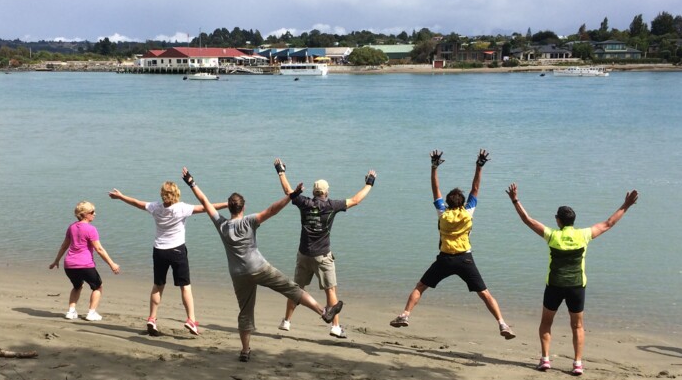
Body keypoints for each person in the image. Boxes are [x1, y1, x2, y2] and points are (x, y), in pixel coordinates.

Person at [181, 167, 343, 362]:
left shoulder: (222, 225)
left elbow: (205, 202)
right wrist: (292, 196)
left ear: (230, 208)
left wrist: (192, 183)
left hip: (238, 274)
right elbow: (272, 210)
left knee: (245, 311)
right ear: (243, 207)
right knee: (292, 289)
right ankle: (323, 312)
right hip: (259, 268)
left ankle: (245, 350)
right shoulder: (250, 221)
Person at [506, 183, 639, 376]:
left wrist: (515, 199)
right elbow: (609, 223)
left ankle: (545, 360)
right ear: (573, 221)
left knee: (546, 323)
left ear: (557, 220)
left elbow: (528, 220)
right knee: (577, 326)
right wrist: (626, 205)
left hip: (554, 285)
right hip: (576, 286)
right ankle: (577, 363)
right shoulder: (583, 235)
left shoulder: (552, 235)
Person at [390, 149, 516, 340]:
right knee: (485, 294)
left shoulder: (443, 213)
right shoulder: (468, 212)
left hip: (445, 259)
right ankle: (502, 323)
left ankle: (405, 315)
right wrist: (479, 166)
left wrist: (434, 168)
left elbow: (435, 191)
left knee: (420, 287)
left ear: (447, 203)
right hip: (465, 259)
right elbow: (475, 188)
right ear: (463, 202)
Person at [273, 158, 376, 338]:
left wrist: (281, 171)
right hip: (322, 256)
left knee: (297, 289)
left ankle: (287, 321)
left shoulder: (304, 203)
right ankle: (335, 327)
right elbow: (356, 200)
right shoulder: (331, 206)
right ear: (326, 192)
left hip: (304, 254)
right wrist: (370, 183)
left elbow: (289, 191)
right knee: (331, 290)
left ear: (314, 192)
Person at [109, 182, 226, 336]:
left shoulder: (155, 207)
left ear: (162, 194)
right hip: (178, 251)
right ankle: (191, 320)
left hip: (159, 251)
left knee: (158, 285)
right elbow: (206, 207)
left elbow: (137, 203)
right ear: (177, 193)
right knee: (185, 287)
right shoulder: (182, 208)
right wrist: (227, 204)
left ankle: (152, 318)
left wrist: (121, 196)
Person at [49, 201, 121, 321]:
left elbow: (64, 246)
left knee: (77, 286)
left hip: (69, 265)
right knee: (98, 287)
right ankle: (91, 313)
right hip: (85, 265)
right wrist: (111, 264)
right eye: (92, 212)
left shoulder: (71, 227)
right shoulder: (90, 229)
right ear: (85, 214)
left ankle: (71, 312)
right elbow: (99, 249)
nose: (95, 214)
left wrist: (56, 261)